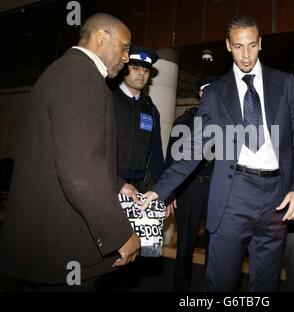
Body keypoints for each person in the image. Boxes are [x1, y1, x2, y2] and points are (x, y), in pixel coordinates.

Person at [144, 16, 294, 291]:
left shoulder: (285, 84)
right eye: (238, 46)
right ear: (227, 45)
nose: (245, 55)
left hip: (278, 196)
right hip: (233, 195)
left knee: (266, 285)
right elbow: (194, 149)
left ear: (260, 44)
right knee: (220, 284)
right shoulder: (215, 94)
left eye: (251, 46)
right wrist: (159, 191)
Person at [0, 13, 140, 291]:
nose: (127, 57)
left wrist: (117, 184)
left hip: (48, 241)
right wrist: (118, 233)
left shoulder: (63, 71)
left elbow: (65, 153)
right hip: (66, 247)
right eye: (125, 47)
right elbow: (80, 170)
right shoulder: (81, 76)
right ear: (101, 37)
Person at [166, 76, 218, 292]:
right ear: (200, 94)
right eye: (204, 91)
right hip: (189, 189)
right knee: (185, 248)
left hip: (217, 190)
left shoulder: (229, 122)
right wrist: (170, 192)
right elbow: (172, 160)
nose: (208, 95)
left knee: (215, 250)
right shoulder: (183, 122)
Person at [112, 46, 165, 193]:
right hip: (109, 180)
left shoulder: (151, 110)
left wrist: (164, 190)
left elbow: (156, 153)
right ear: (124, 68)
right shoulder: (108, 98)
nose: (142, 73)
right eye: (135, 68)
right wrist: (115, 182)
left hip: (139, 185)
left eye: (146, 70)